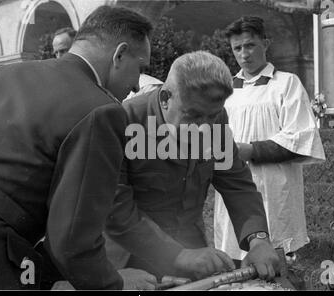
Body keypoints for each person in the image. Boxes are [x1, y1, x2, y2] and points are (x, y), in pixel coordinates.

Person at [0, 5, 154, 290]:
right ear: (119, 54)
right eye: (140, 67)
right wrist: (114, 284)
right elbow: (72, 241)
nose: (136, 85)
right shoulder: (102, 111)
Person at [105, 51, 280, 282]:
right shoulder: (124, 120)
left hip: (192, 253)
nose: (203, 127)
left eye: (212, 116)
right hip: (128, 263)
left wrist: (258, 240)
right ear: (166, 98)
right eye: (193, 116)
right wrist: (177, 255)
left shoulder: (214, 119)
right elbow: (116, 207)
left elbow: (237, 183)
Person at [213, 16, 326, 263]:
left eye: (250, 45)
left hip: (274, 187)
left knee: (274, 260)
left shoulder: (286, 84)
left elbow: (299, 139)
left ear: (266, 43)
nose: (244, 53)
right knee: (234, 258)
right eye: (237, 48)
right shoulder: (225, 90)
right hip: (232, 186)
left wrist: (249, 150)